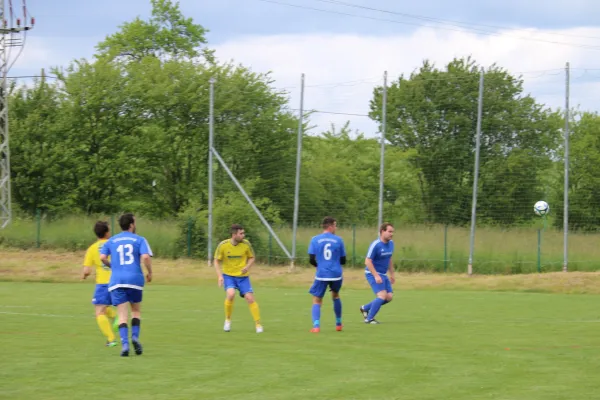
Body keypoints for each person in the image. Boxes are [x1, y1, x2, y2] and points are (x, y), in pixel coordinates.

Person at [100, 213, 153, 357]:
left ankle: (124, 345)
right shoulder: (140, 239)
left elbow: (102, 257)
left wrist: (113, 266)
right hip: (135, 279)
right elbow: (146, 257)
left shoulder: (112, 240)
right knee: (135, 311)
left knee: (122, 315)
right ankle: (135, 337)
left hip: (117, 281)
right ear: (131, 224)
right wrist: (150, 272)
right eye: (134, 222)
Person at [214, 224, 263, 333]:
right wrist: (219, 276)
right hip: (229, 276)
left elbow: (252, 257)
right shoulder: (223, 245)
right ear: (234, 234)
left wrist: (247, 267)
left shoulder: (246, 244)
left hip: (242, 277)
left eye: (243, 233)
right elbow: (216, 260)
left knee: (250, 298)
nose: (243, 235)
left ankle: (258, 324)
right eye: (241, 233)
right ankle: (227, 320)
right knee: (230, 294)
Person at [81, 221, 118, 347]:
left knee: (99, 312)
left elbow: (87, 270)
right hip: (117, 280)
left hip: (103, 283)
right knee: (105, 306)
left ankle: (111, 338)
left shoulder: (92, 249)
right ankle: (117, 317)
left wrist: (84, 276)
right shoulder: (114, 245)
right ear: (107, 232)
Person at [307, 216, 346, 333]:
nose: (336, 227)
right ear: (330, 226)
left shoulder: (314, 239)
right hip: (336, 273)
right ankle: (338, 324)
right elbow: (343, 260)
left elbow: (311, 259)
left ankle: (316, 326)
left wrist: (319, 266)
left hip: (322, 273)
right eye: (335, 225)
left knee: (317, 299)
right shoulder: (339, 240)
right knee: (335, 295)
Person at [360, 222, 395, 324]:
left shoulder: (391, 243)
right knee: (382, 296)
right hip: (372, 273)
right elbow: (367, 261)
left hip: (383, 274)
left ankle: (365, 308)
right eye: (389, 231)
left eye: (392, 232)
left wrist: (392, 274)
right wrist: (376, 275)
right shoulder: (376, 245)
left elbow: (389, 259)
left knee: (389, 297)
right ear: (382, 231)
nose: (391, 234)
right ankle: (369, 318)